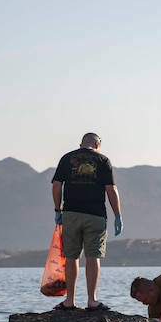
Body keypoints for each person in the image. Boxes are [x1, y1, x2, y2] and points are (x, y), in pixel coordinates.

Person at [51, 132, 123, 311]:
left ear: (81, 144)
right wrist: (118, 215)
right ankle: (92, 300)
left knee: (71, 256)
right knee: (93, 255)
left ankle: (70, 301)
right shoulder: (103, 160)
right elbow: (111, 189)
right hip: (96, 214)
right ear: (98, 145)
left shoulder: (67, 158)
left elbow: (56, 185)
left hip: (71, 213)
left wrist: (57, 209)